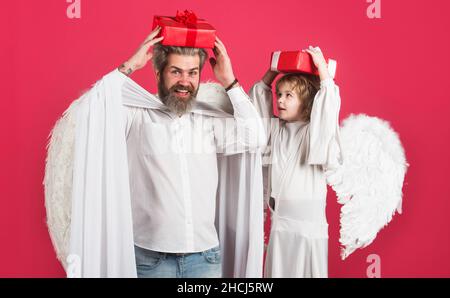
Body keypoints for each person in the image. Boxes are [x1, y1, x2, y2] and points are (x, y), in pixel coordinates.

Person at [249, 46, 343, 277]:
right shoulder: (276, 131)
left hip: (307, 228)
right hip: (280, 225)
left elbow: (326, 113)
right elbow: (257, 108)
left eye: (288, 96)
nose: (279, 100)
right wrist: (273, 71)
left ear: (308, 102)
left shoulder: (314, 134)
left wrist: (322, 71)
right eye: (279, 94)